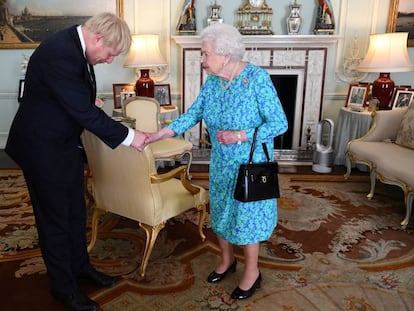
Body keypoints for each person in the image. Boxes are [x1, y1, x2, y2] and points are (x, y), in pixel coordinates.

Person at [5, 13, 146, 311]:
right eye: (109, 54)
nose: (109, 61)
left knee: (75, 212)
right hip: (41, 147)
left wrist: (83, 100)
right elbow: (82, 110)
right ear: (97, 39)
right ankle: (64, 288)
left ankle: (81, 268)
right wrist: (130, 137)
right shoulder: (60, 52)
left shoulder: (75, 46)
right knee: (55, 219)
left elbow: (73, 97)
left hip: (64, 142)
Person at [144, 23, 288, 300]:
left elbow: (279, 123)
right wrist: (160, 133)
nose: (202, 59)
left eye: (205, 53)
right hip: (221, 162)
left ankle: (252, 271)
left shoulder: (257, 79)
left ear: (225, 55)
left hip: (250, 163)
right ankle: (226, 260)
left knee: (247, 219)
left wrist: (240, 135)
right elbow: (194, 113)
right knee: (221, 211)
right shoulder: (213, 81)